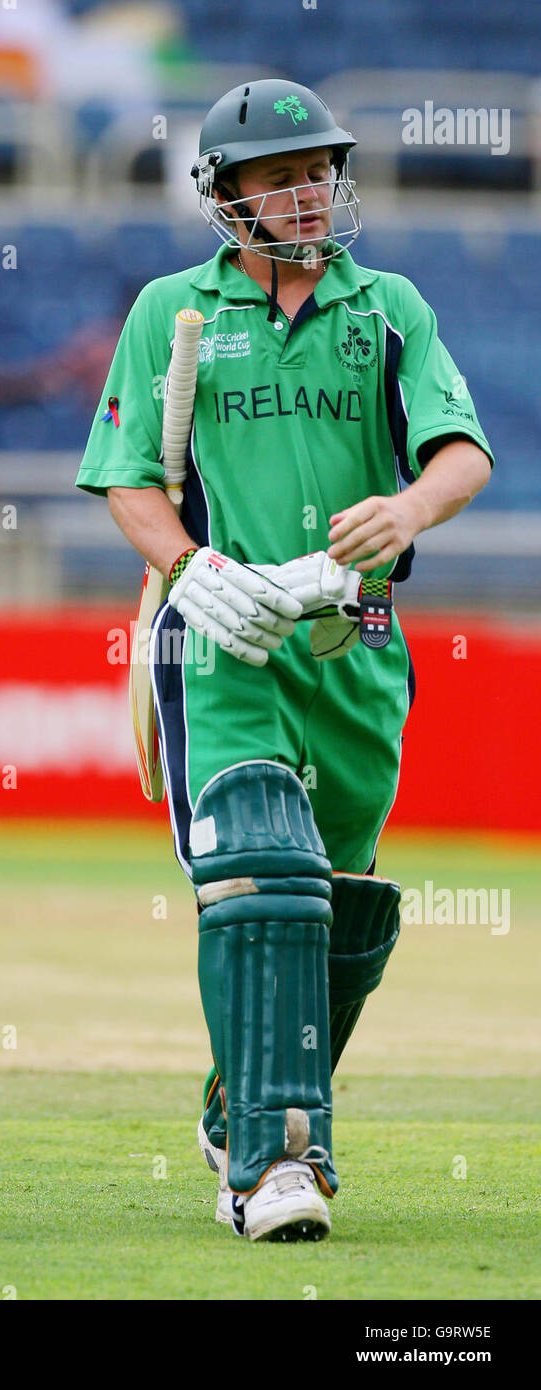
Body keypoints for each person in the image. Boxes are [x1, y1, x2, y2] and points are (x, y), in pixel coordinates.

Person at [75, 79, 493, 1242]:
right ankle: (271, 1166)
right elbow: (125, 477)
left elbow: (461, 452)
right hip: (221, 634)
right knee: (261, 862)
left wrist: (407, 509)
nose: (309, 192)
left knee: (339, 914)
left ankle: (239, 1097)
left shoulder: (388, 305)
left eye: (319, 170)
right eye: (280, 177)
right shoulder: (172, 310)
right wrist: (192, 571)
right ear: (226, 198)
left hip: (353, 639)